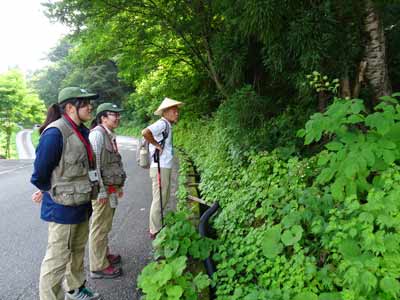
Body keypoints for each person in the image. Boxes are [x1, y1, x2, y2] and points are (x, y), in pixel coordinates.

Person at [30, 87, 101, 300]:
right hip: (61, 207)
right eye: (85, 103)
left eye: (91, 103)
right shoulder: (55, 133)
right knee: (57, 258)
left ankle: (75, 289)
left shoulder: (83, 131)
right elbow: (40, 174)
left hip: (82, 202)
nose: (91, 107)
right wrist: (51, 190)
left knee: (78, 251)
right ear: (70, 107)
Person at [88, 103, 126, 279]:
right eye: (113, 114)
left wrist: (118, 186)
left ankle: (104, 255)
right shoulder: (97, 135)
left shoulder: (108, 134)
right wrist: (100, 192)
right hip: (101, 192)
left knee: (105, 225)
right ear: (103, 117)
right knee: (99, 227)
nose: (117, 117)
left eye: (118, 114)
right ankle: (98, 266)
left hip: (110, 189)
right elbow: (93, 165)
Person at [141, 97, 183, 239]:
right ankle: (155, 230)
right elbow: (145, 132)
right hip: (160, 166)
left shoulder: (167, 125)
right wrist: (156, 145)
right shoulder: (162, 124)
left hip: (164, 166)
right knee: (159, 198)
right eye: (173, 111)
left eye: (177, 111)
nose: (177, 113)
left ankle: (158, 225)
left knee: (163, 196)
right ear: (165, 112)